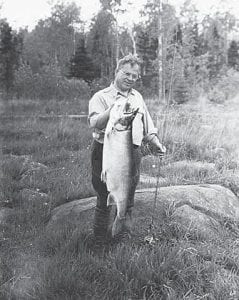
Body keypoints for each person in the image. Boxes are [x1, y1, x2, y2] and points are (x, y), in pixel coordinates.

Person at [88, 54, 166, 244]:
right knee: (104, 198)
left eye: (134, 76)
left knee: (128, 197)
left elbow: (146, 122)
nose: (130, 78)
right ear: (116, 72)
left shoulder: (137, 96)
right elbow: (94, 123)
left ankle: (122, 236)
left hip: (132, 153)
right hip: (105, 153)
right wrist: (113, 110)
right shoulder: (101, 96)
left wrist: (154, 141)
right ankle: (99, 241)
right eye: (127, 74)